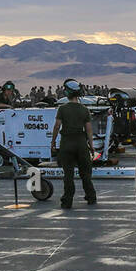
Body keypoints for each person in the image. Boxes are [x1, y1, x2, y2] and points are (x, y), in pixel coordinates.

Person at [50, 78, 97, 209]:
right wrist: (91, 146)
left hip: (67, 143)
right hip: (81, 143)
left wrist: (53, 143)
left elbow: (57, 126)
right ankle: (91, 197)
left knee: (68, 174)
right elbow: (88, 129)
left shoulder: (62, 109)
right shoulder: (84, 109)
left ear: (67, 92)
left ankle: (67, 201)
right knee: (86, 174)